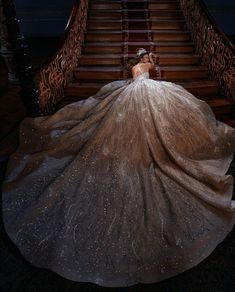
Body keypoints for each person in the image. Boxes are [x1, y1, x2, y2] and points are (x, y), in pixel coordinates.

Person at [2, 48, 235, 287]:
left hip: (132, 92)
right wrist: (150, 59)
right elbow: (151, 69)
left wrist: (143, 60)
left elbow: (140, 74)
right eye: (145, 58)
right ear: (143, 60)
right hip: (146, 93)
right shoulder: (146, 67)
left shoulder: (134, 69)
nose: (146, 61)